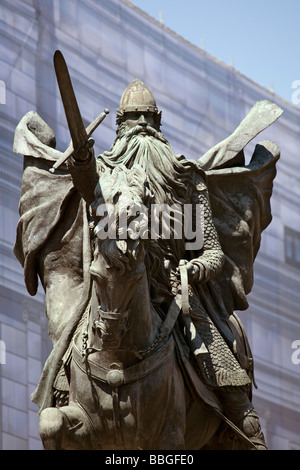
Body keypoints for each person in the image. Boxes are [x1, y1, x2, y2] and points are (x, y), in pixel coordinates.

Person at [14, 78, 281, 449]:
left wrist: (190, 270)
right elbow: (89, 185)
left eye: (145, 123)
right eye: (132, 123)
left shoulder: (186, 181)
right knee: (65, 349)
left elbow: (212, 255)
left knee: (221, 356)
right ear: (121, 129)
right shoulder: (106, 180)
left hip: (178, 296)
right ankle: (64, 397)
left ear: (156, 127)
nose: (139, 134)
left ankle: (245, 428)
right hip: (110, 286)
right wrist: (82, 163)